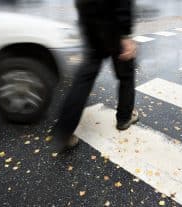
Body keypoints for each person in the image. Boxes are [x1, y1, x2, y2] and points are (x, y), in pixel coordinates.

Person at [53, 0, 138, 151]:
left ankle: (63, 131)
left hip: (89, 18)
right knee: (126, 74)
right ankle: (124, 118)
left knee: (85, 77)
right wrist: (125, 34)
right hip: (112, 21)